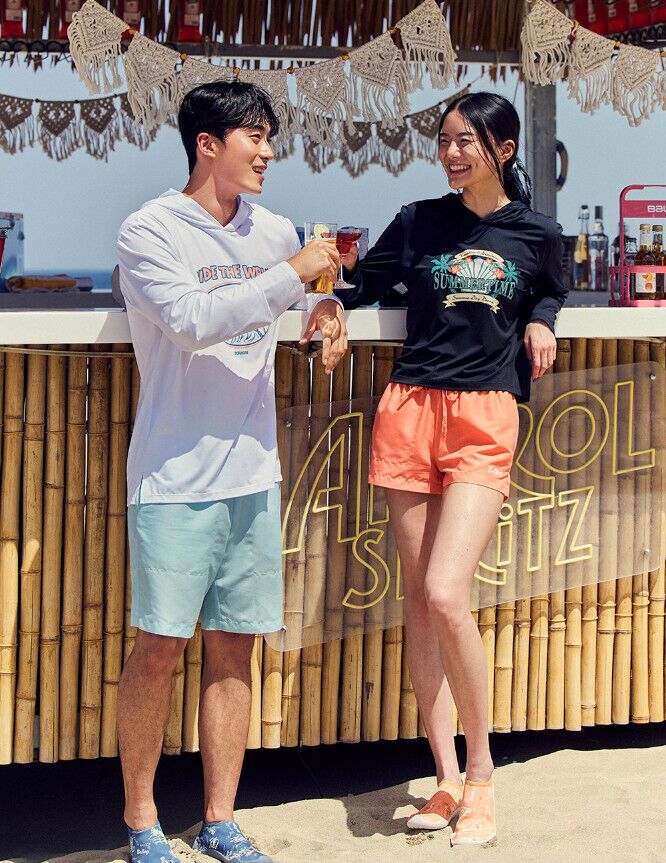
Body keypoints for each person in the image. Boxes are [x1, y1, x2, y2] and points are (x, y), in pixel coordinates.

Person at [115, 80, 347, 863]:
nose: (269, 152)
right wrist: (293, 275)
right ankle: (142, 822)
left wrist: (326, 310)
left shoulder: (271, 229)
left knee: (235, 649)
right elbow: (191, 321)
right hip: (173, 476)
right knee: (159, 647)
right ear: (207, 144)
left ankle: (220, 819)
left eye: (270, 137)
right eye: (256, 136)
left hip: (253, 472)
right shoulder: (149, 229)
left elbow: (302, 298)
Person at [337, 91, 566, 846]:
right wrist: (329, 297)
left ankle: (482, 777)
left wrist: (542, 320)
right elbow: (363, 285)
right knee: (419, 598)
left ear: (504, 149)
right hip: (409, 406)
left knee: (446, 590)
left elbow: (553, 287)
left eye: (466, 140)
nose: (451, 152)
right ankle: (442, 777)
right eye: (444, 140)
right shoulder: (418, 220)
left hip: (484, 414)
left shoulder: (537, 232)